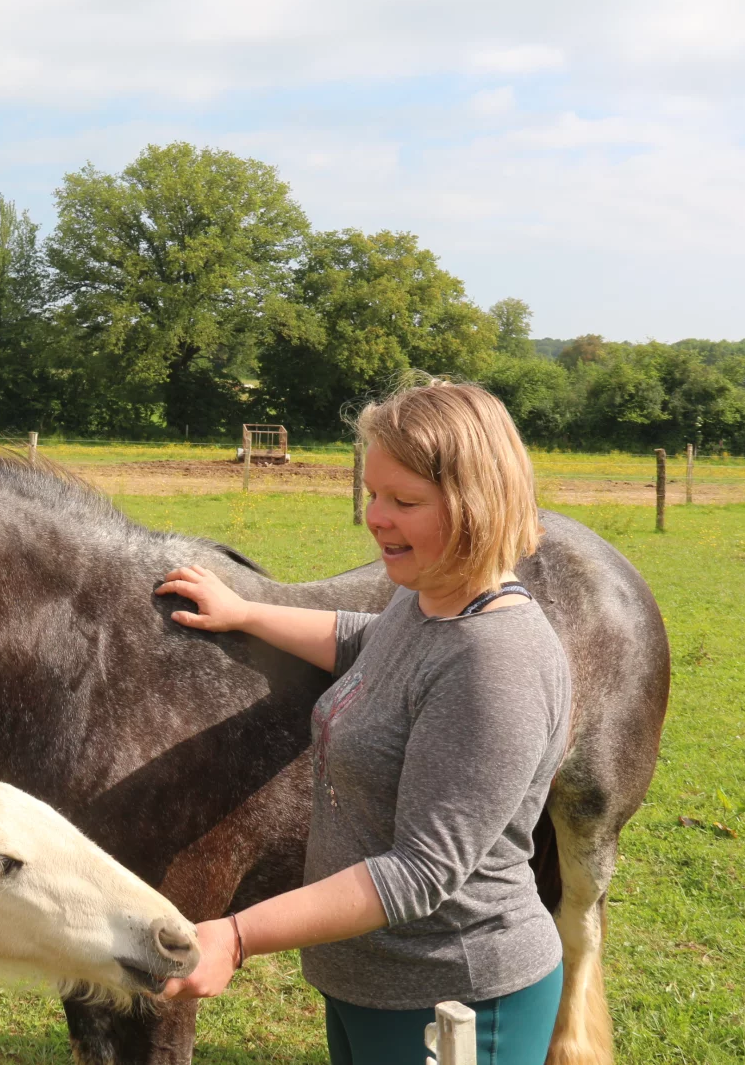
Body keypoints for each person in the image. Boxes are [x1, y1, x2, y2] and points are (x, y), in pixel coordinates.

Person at [157, 380, 569, 1065]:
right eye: (374, 494)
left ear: (477, 504)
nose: (376, 518)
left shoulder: (496, 662)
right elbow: (365, 641)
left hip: (456, 998)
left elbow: (421, 870)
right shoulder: (431, 598)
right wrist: (247, 612)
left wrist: (237, 935)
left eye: (405, 502)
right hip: (371, 982)